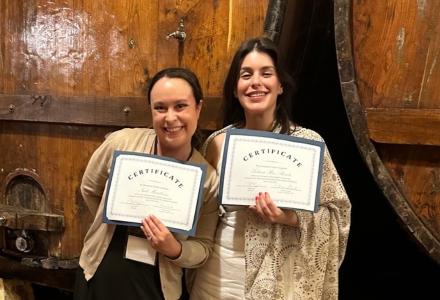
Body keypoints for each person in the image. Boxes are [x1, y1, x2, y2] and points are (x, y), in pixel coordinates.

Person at [189, 37, 351, 299]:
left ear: (280, 86)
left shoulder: (308, 144)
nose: (256, 82)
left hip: (277, 279)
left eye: (266, 73)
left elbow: (337, 214)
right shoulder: (216, 143)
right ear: (234, 88)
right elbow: (202, 212)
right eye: (246, 75)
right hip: (216, 277)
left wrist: (286, 217)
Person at [74, 68, 219, 300]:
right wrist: (113, 214)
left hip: (156, 290)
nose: (170, 118)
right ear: (151, 110)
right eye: (160, 107)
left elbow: (203, 248)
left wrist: (174, 248)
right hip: (99, 277)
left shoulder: (208, 180)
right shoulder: (122, 143)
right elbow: (90, 189)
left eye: (180, 106)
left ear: (198, 108)